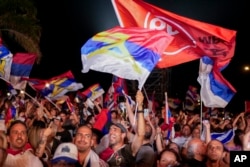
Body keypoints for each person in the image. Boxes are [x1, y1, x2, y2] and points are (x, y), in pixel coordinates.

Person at [99, 90, 146, 167]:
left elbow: (140, 134)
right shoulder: (103, 151)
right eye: (110, 129)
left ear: (123, 134)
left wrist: (140, 106)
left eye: (115, 129)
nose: (111, 132)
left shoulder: (128, 150)